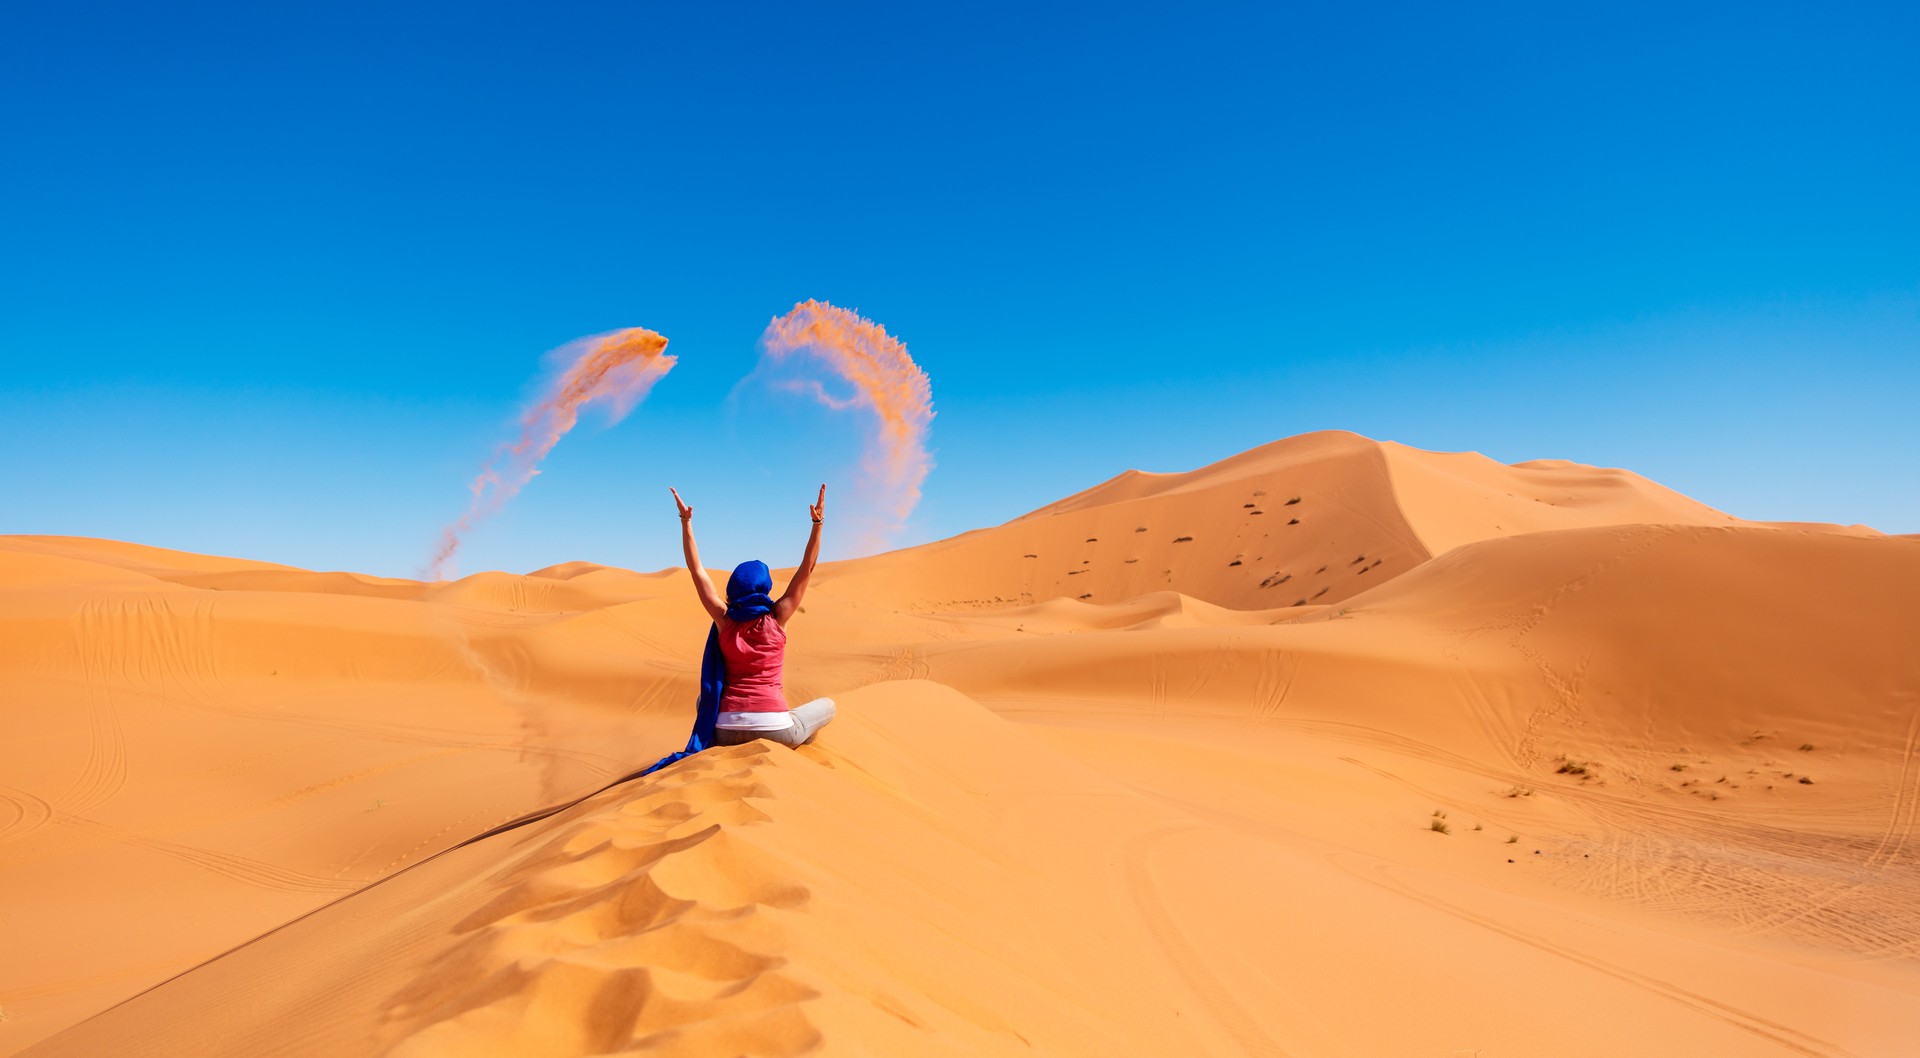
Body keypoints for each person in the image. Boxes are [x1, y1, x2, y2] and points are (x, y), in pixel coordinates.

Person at [666, 483, 836, 751]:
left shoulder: (723, 619)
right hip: (775, 732)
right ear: (764, 586)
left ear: (733, 589)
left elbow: (696, 569)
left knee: (705, 700)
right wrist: (818, 523)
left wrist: (686, 522)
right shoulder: (778, 616)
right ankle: (800, 747)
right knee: (828, 706)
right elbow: (808, 568)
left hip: (722, 731)